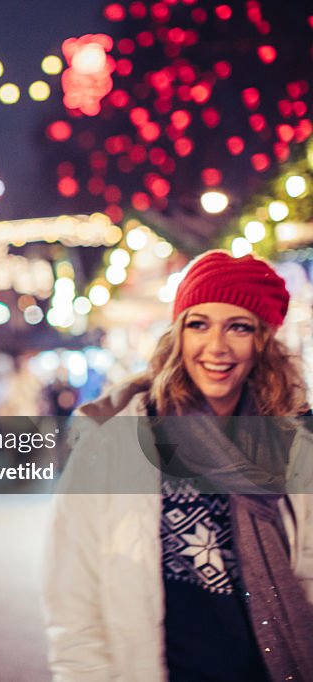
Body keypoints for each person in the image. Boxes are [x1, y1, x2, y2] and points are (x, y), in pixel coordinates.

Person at [43, 250, 313, 680]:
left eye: (238, 327)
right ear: (178, 334)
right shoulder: (114, 441)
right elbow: (74, 600)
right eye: (198, 324)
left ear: (262, 340)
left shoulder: (296, 444)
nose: (216, 347)